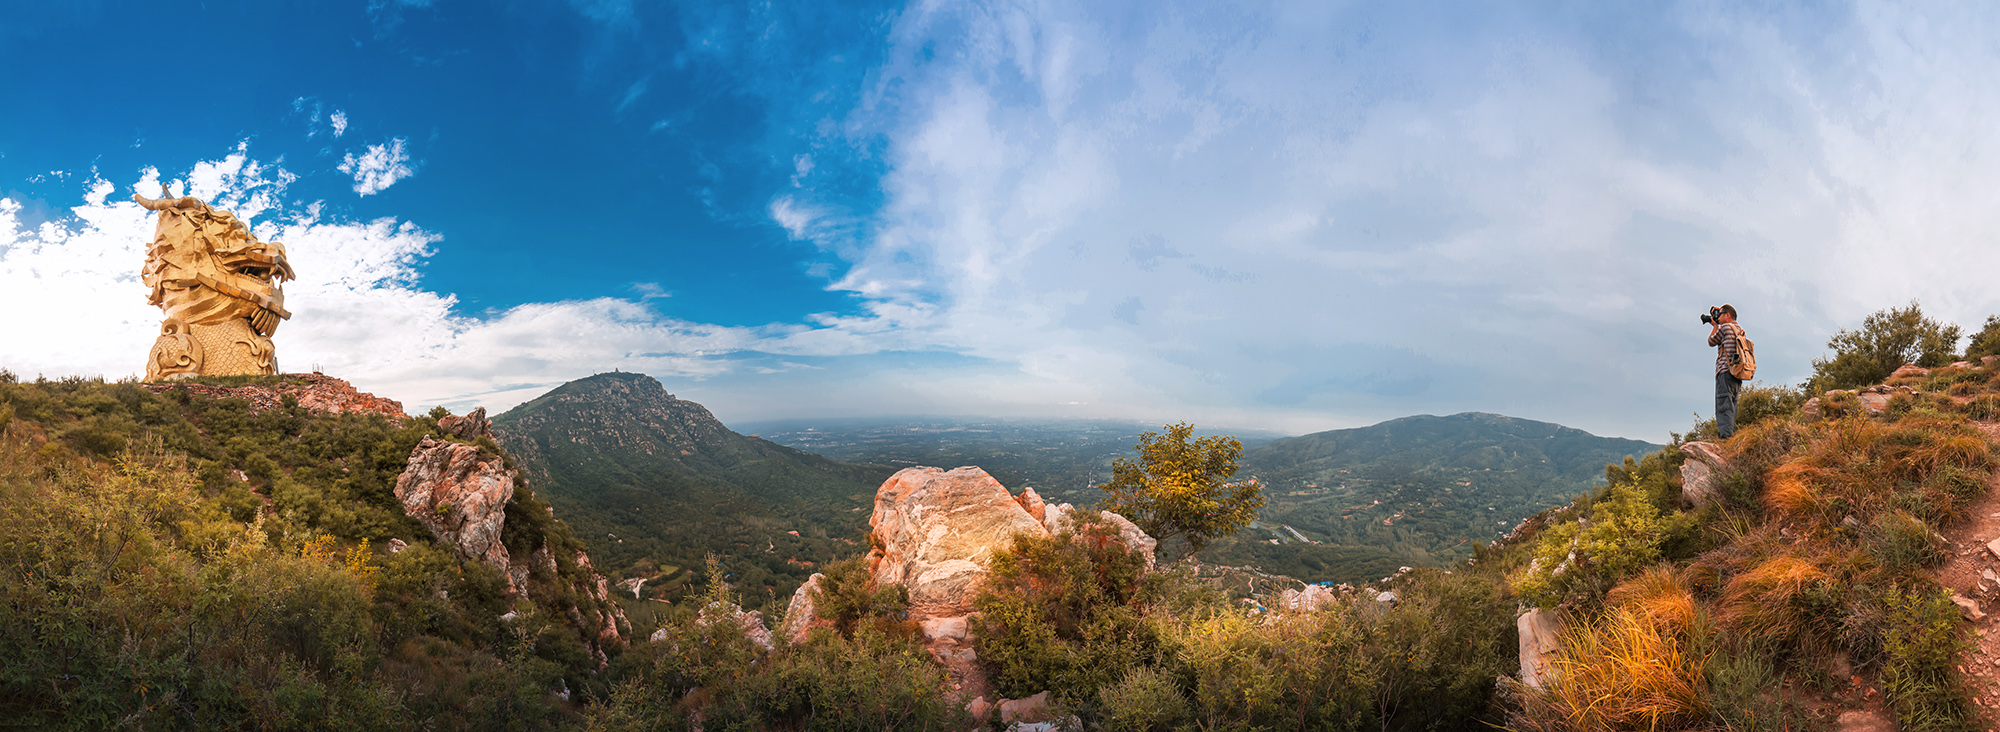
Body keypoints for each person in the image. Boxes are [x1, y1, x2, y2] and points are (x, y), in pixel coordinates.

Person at [1707, 304, 1744, 439]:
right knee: (1732, 405)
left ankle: (1725, 439)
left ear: (1728, 315)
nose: (1718, 317)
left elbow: (1711, 341)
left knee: (1723, 405)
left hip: (1725, 371)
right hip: (1737, 373)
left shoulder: (1726, 328)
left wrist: (1715, 326)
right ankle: (1731, 436)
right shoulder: (1740, 329)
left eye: (1721, 314)